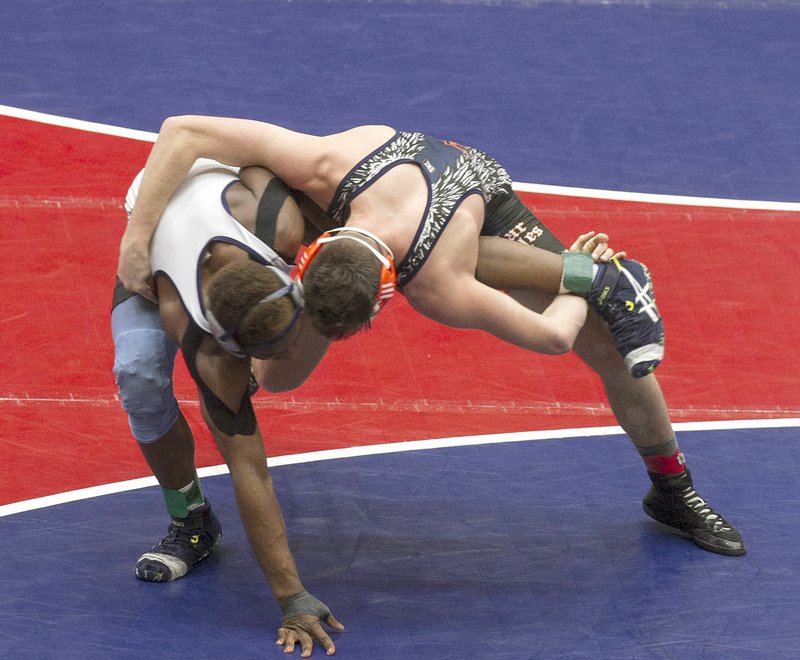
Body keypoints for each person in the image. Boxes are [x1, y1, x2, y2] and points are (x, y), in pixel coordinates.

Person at [118, 118, 744, 560]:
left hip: (469, 203)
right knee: (282, 336)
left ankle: (672, 490)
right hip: (430, 175)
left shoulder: (437, 284)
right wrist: (574, 273)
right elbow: (186, 133)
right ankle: (598, 279)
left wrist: (582, 287)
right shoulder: (326, 165)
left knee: (605, 346)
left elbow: (556, 337)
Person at [112, 159, 341, 657]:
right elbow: (248, 468)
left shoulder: (277, 223)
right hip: (154, 243)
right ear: (224, 344)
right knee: (140, 376)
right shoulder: (191, 326)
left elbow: (260, 161)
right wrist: (291, 597)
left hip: (209, 188)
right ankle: (191, 518)